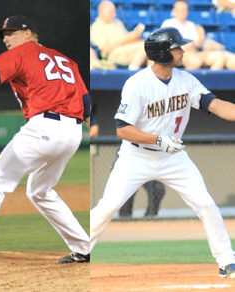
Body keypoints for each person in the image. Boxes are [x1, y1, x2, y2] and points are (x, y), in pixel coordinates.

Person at [0, 15, 91, 276]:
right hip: (73, 132)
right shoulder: (67, 61)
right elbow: (87, 104)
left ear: (28, 33)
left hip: (43, 128)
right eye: (3, 36)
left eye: (11, 33)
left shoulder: (23, 52)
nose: (6, 39)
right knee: (40, 191)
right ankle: (83, 247)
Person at [90, 27, 235, 278]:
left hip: (173, 157)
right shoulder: (137, 84)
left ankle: (227, 261)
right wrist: (158, 139)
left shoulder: (186, 80)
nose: (182, 51)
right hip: (136, 156)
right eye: (176, 47)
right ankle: (80, 251)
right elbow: (122, 130)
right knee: (108, 206)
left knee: (205, 203)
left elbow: (216, 105)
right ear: (162, 53)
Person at [161, 0, 226, 70]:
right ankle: (186, 80)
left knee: (219, 57)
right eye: (180, 10)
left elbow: (198, 43)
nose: (182, 12)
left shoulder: (191, 25)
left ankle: (210, 80)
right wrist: (181, 45)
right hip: (179, 53)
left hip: (195, 51)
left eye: (184, 10)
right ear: (174, 11)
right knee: (195, 61)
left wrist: (202, 43)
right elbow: (164, 43)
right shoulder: (168, 23)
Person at [91, 0, 147, 70]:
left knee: (149, 48)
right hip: (113, 54)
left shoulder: (117, 22)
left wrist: (134, 37)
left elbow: (127, 39)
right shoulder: (96, 27)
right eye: (111, 12)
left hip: (128, 49)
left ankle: (153, 78)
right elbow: (105, 49)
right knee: (143, 48)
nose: (114, 15)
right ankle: (131, 73)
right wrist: (127, 39)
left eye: (114, 12)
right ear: (101, 12)